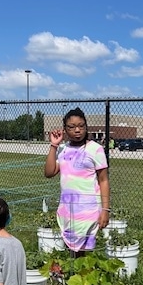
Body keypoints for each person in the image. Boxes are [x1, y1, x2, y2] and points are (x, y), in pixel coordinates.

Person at [44, 107, 110, 255]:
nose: (77, 130)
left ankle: (83, 277)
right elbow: (49, 173)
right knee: (72, 252)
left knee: (86, 254)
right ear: (65, 129)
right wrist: (54, 145)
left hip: (89, 211)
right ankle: (74, 277)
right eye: (72, 127)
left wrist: (106, 210)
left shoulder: (95, 149)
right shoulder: (63, 150)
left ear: (86, 126)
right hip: (68, 210)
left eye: (81, 126)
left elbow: (104, 180)